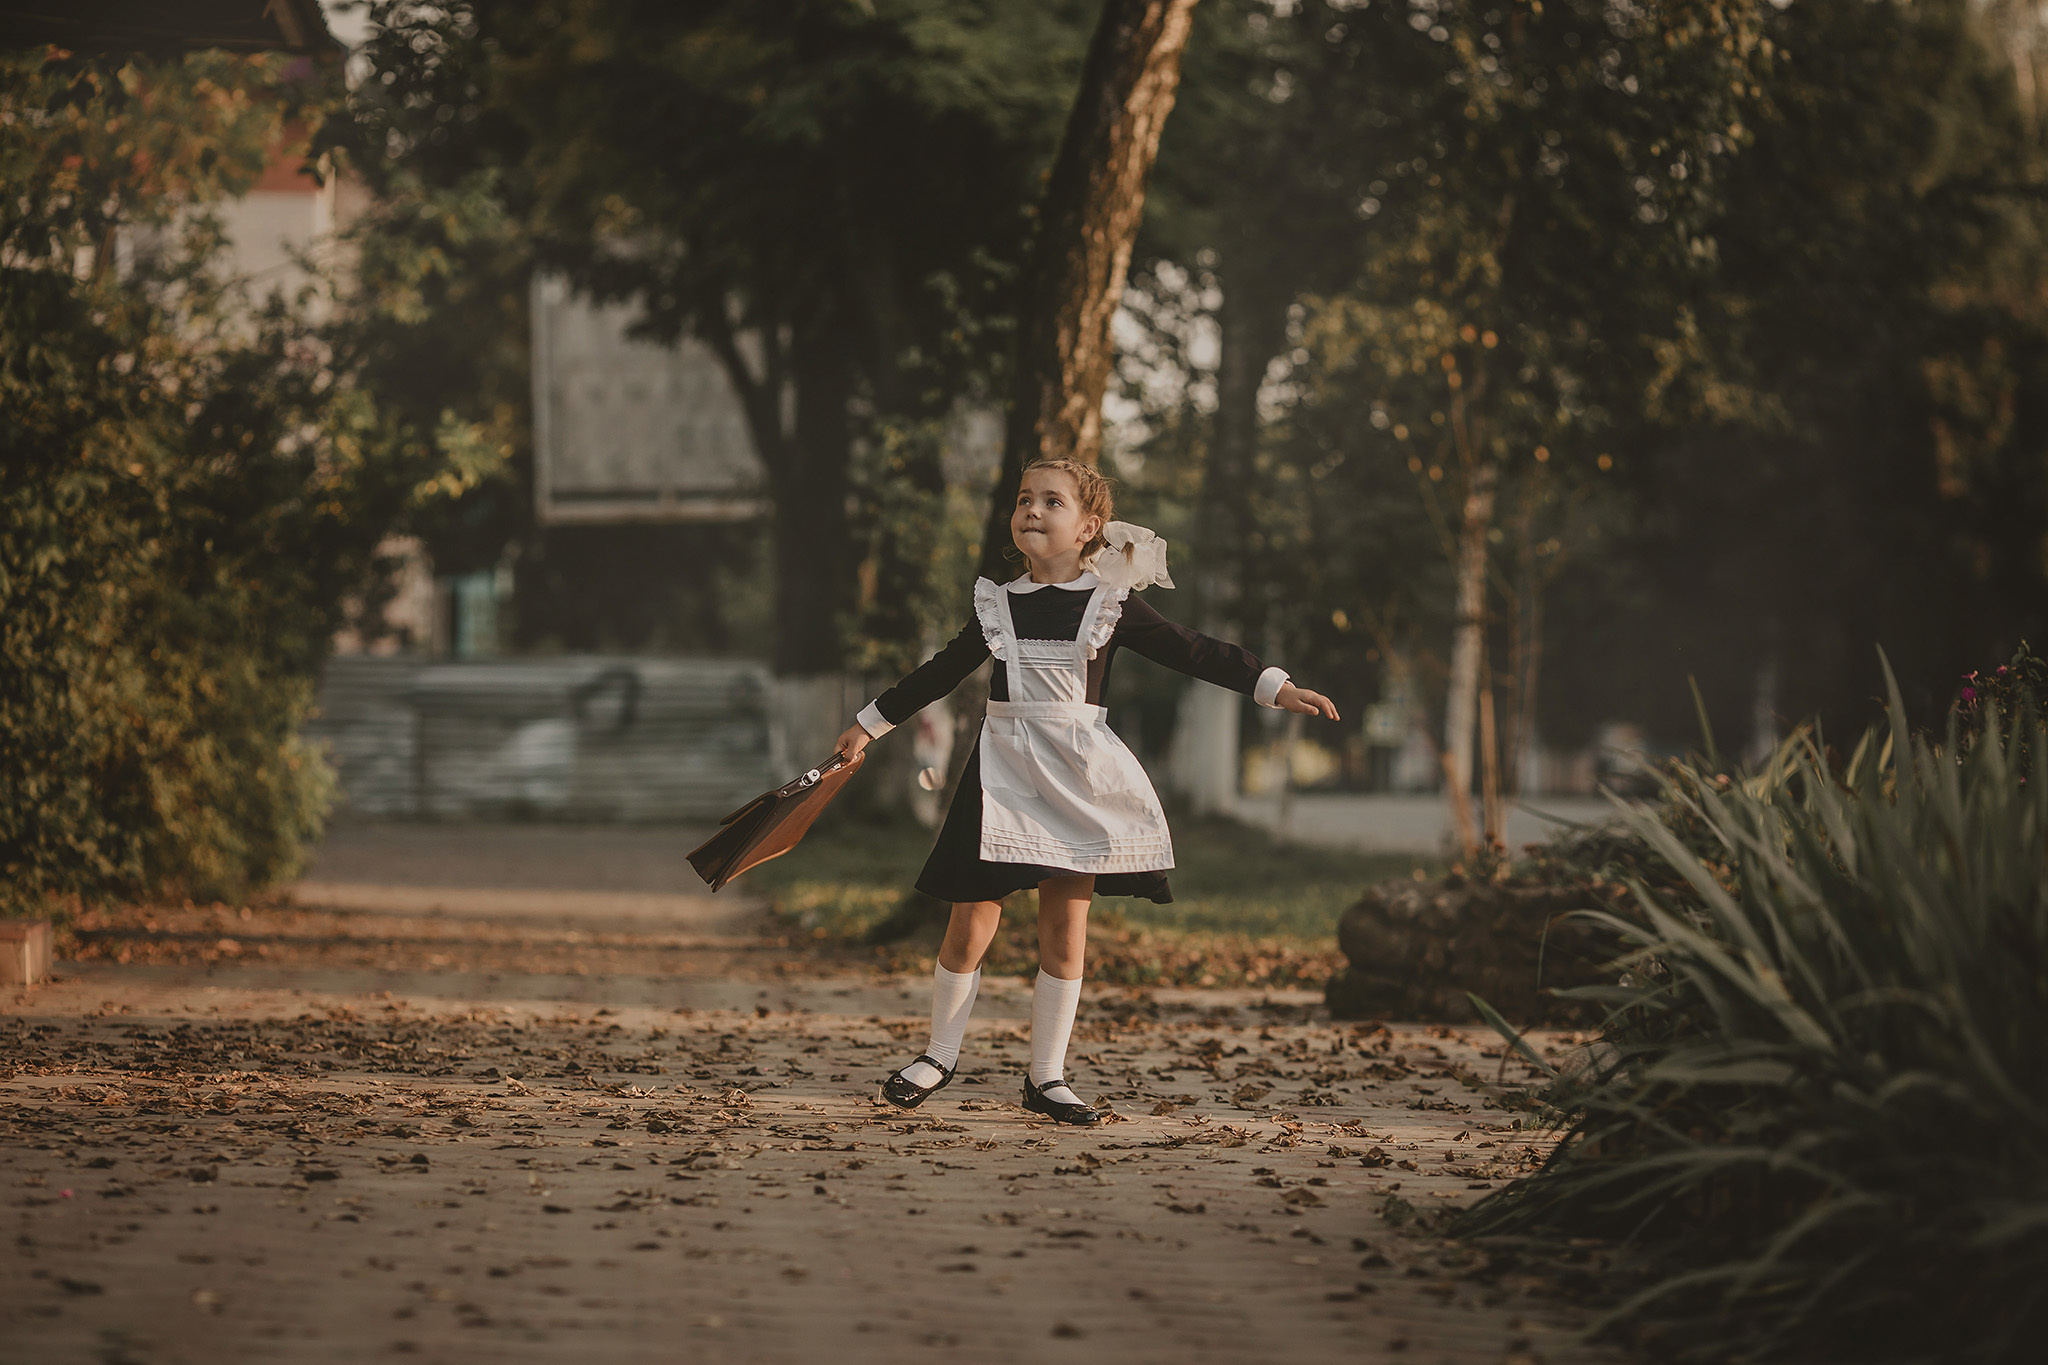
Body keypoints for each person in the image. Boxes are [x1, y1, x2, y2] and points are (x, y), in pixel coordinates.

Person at [832, 458, 1339, 1125]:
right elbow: (940, 672)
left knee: (1064, 931)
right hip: (1001, 777)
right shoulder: (997, 603)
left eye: (1051, 501)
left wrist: (1275, 685)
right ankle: (938, 1053)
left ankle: (1046, 1076)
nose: (1032, 510)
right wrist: (868, 725)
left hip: (1075, 779)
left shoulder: (1111, 603)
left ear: (1090, 526)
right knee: (970, 918)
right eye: (1023, 499)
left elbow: (1194, 648)